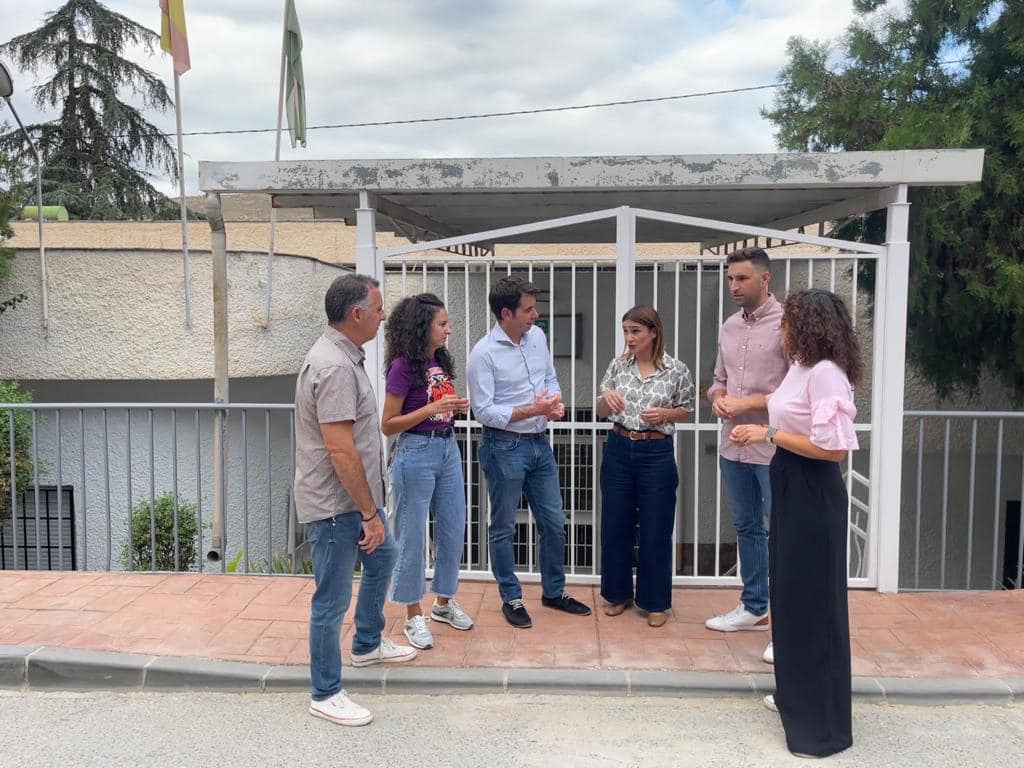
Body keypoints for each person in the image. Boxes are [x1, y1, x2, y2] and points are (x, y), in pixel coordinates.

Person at [729, 288, 861, 758]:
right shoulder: (802, 367)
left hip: (812, 490)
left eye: (787, 322)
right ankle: (794, 695)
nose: (780, 330)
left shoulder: (827, 374)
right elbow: (784, 406)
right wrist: (752, 413)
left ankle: (819, 726)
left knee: (813, 602)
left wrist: (767, 433)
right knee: (789, 595)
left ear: (807, 325)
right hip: (789, 482)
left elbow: (833, 449)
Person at [294, 274, 417, 728]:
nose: (384, 317)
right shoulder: (334, 367)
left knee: (384, 556)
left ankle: (367, 643)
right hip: (336, 506)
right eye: (379, 309)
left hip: (353, 500)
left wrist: (370, 510)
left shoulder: (343, 357)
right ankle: (325, 692)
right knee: (331, 600)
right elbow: (341, 449)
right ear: (357, 314)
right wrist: (368, 512)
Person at [467, 275, 591, 628]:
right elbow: (483, 411)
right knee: (504, 526)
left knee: (554, 523)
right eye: (529, 309)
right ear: (506, 313)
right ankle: (512, 597)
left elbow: (549, 378)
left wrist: (554, 403)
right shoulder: (483, 354)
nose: (536, 315)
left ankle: (554, 592)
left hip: (540, 443)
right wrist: (532, 410)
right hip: (503, 446)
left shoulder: (537, 337)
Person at [704, 247, 789, 667]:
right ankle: (755, 607)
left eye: (742, 278)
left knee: (784, 533)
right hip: (733, 446)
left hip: (774, 447)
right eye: (730, 279)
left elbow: (795, 392)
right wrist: (718, 397)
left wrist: (747, 403)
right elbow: (717, 379)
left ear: (765, 277)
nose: (734, 287)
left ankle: (787, 628)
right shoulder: (729, 326)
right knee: (747, 528)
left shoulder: (788, 325)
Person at [381, 293, 475, 650]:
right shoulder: (402, 366)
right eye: (442, 324)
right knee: (411, 536)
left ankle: (444, 603)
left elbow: (438, 406)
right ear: (423, 326)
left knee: (453, 527)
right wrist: (433, 408)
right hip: (416, 452)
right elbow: (388, 424)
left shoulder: (438, 360)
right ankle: (411, 614)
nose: (448, 330)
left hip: (447, 448)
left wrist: (453, 407)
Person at [596, 306, 693, 627]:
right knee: (616, 523)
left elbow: (687, 410)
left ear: (653, 332)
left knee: (656, 528)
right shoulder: (618, 366)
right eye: (625, 331)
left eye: (635, 331)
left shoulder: (676, 369)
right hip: (619, 448)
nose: (629, 337)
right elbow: (600, 410)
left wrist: (665, 414)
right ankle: (617, 594)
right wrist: (606, 400)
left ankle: (655, 602)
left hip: (656, 453)